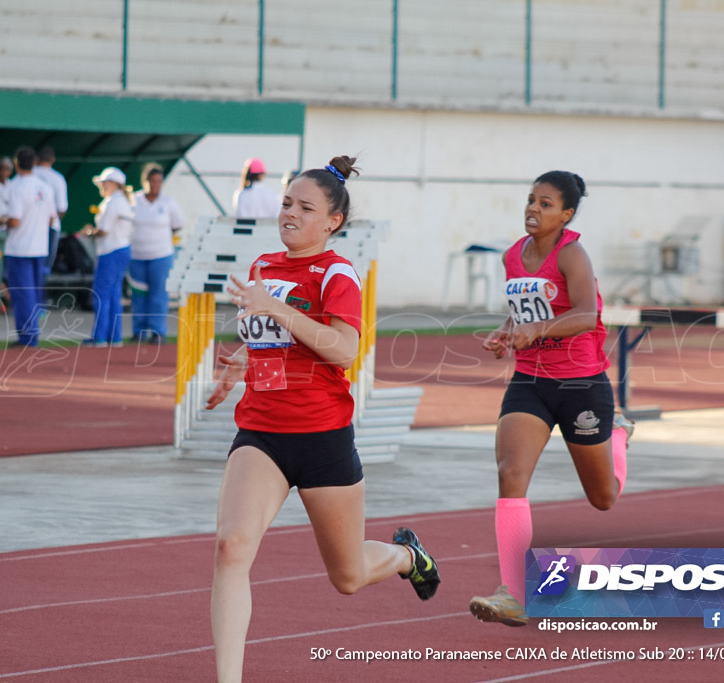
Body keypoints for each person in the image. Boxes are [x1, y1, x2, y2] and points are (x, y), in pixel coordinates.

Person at [208, 156, 440, 683]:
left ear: (332, 222)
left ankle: (406, 555)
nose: (290, 212)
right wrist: (241, 362)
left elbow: (342, 350)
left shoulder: (337, 274)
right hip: (261, 431)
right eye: (287, 202)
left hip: (321, 438)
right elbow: (269, 336)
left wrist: (278, 309)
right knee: (230, 547)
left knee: (348, 576)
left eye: (304, 207)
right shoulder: (263, 268)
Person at [468, 171, 633, 627]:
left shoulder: (572, 255)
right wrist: (508, 331)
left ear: (566, 215)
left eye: (545, 204)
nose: (533, 210)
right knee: (510, 473)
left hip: (581, 383)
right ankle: (513, 592)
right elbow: (524, 308)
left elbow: (586, 314)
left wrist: (537, 329)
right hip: (529, 382)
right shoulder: (512, 256)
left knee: (602, 498)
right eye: (530, 200)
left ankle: (617, 437)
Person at [3, 147, 57, 347]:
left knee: (22, 293)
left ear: (16, 164)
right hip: (40, 247)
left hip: (20, 248)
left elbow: (15, 221)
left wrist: (3, 220)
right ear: (34, 163)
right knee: (34, 293)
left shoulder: (17, 188)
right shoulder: (45, 188)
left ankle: (28, 336)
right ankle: (32, 334)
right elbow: (52, 218)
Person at [128, 163, 184, 343]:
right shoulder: (134, 200)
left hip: (161, 255)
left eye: (159, 181)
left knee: (159, 295)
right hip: (137, 256)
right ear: (145, 181)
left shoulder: (168, 202)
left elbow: (177, 225)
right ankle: (139, 331)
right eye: (152, 181)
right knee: (138, 295)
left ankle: (158, 332)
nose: (155, 185)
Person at [80, 167, 133, 347]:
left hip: (110, 251)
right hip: (122, 249)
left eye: (103, 183)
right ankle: (114, 336)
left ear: (113, 184)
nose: (101, 186)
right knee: (113, 295)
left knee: (102, 294)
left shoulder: (112, 202)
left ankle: (100, 337)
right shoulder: (123, 201)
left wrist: (89, 232)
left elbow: (103, 231)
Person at [33, 146, 69, 274]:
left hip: (29, 226)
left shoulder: (29, 175)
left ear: (37, 159)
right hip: (49, 227)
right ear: (53, 160)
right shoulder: (58, 178)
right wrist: (51, 221)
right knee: (43, 268)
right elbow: (62, 208)